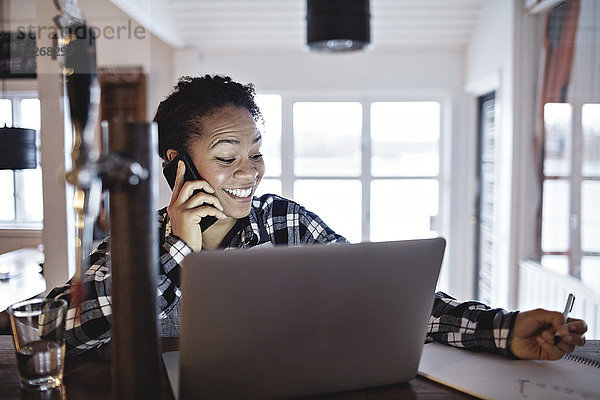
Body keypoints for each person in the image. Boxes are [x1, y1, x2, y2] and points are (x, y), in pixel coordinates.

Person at [48, 74, 587, 361]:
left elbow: (380, 300)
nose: (249, 171)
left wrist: (502, 329)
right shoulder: (136, 239)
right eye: (227, 155)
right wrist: (178, 251)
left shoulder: (287, 224)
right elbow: (65, 329)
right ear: (178, 162)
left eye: (256, 152)